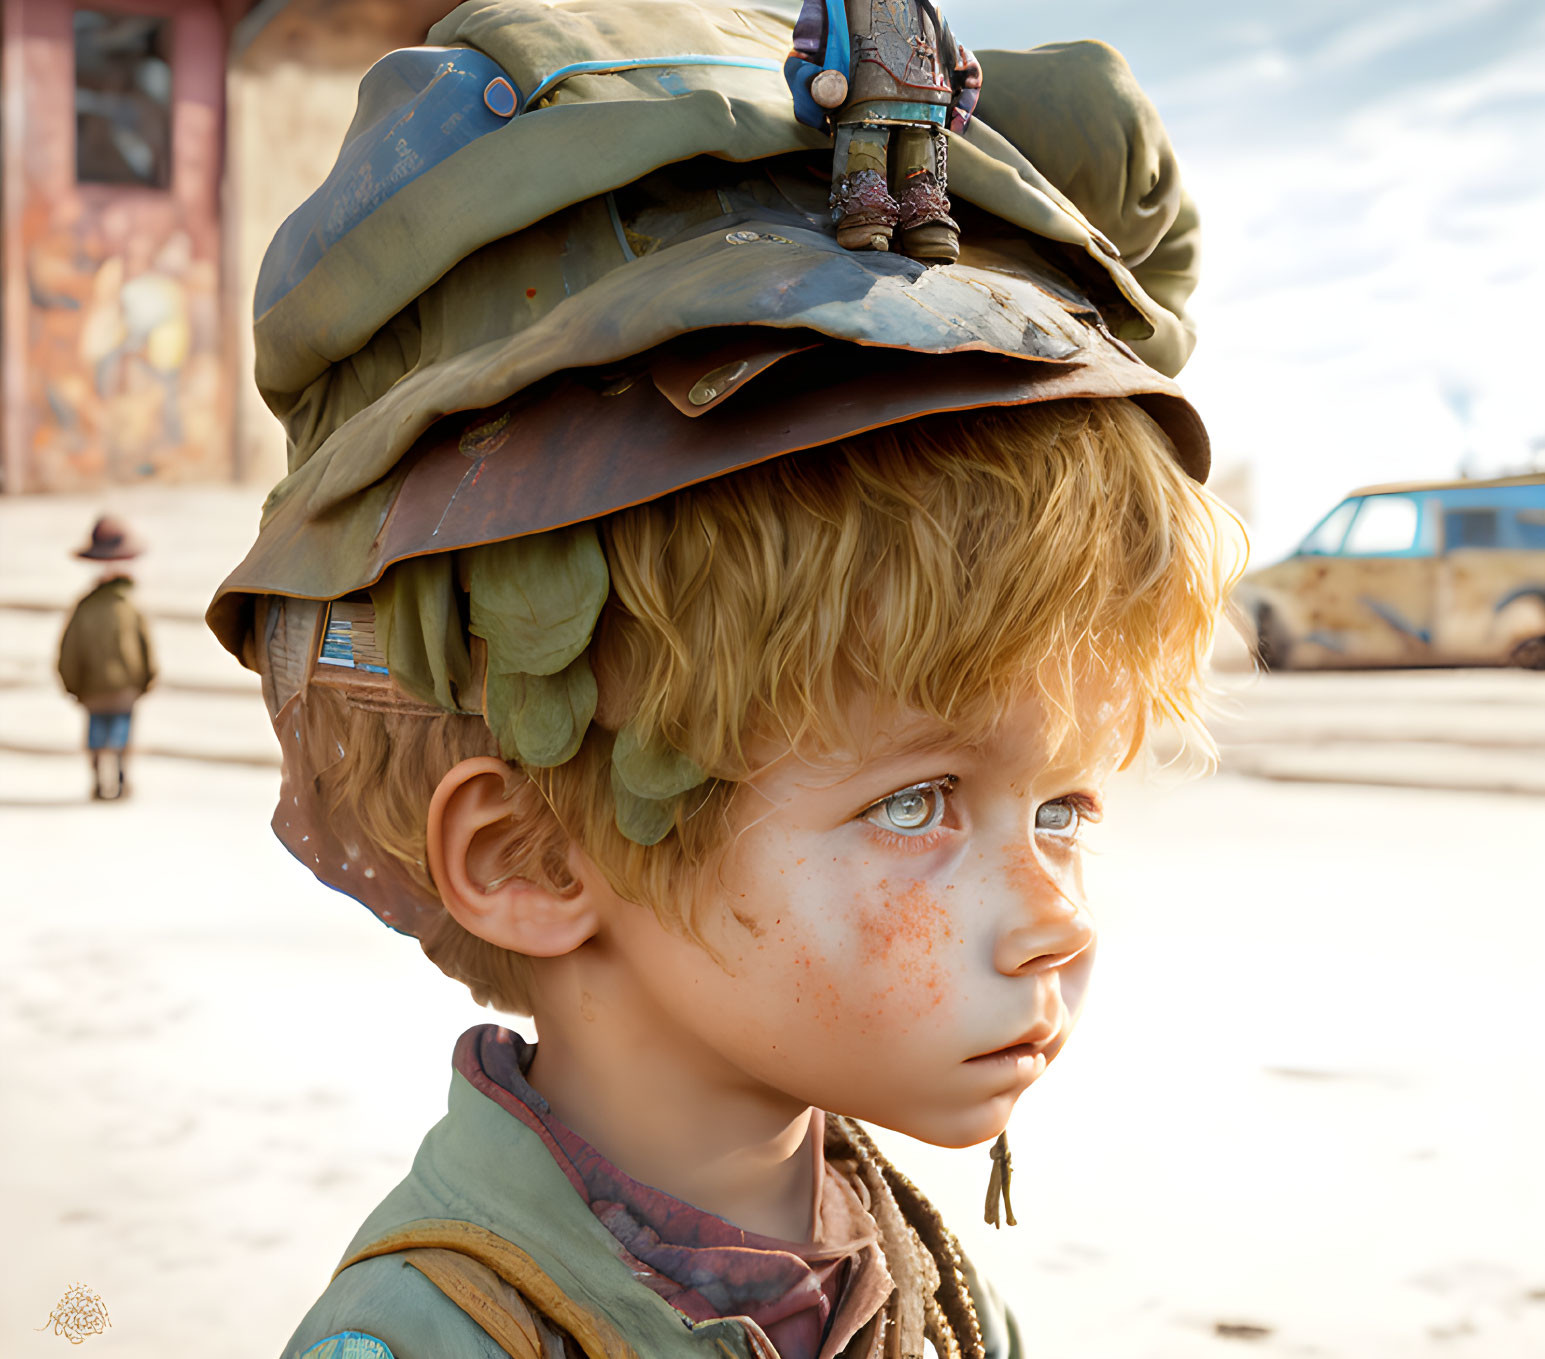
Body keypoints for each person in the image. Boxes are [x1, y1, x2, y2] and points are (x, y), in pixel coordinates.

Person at [205, 3, 1242, 1355]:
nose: (1058, 924)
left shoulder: (918, 1285)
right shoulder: (434, 1336)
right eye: (921, 800)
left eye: (1062, 809)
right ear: (531, 850)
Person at [57, 515, 156, 801]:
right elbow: (146, 648)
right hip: (126, 688)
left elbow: (68, 651)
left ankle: (100, 781)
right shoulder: (131, 606)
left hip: (92, 689)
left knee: (97, 735)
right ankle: (122, 779)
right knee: (122, 734)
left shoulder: (84, 607)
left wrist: (72, 685)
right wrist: (147, 679)